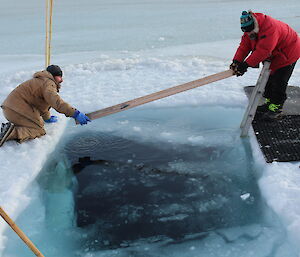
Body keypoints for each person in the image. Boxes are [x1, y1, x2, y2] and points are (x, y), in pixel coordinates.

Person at [230, 11, 300, 119]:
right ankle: (269, 103)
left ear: (255, 25)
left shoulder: (270, 28)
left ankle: (276, 107)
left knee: (279, 81)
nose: (248, 34)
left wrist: (245, 65)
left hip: (288, 52)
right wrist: (236, 61)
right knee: (268, 79)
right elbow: (244, 46)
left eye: (250, 31)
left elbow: (263, 51)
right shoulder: (251, 28)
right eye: (246, 32)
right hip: (274, 53)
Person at [0, 65, 91, 147]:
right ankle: (12, 132)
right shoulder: (48, 83)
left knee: (39, 124)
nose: (61, 80)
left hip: (11, 109)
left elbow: (42, 104)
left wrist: (47, 118)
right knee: (38, 131)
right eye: (59, 77)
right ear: (54, 76)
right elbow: (56, 102)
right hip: (17, 110)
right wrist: (75, 113)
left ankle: (9, 129)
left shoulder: (41, 81)